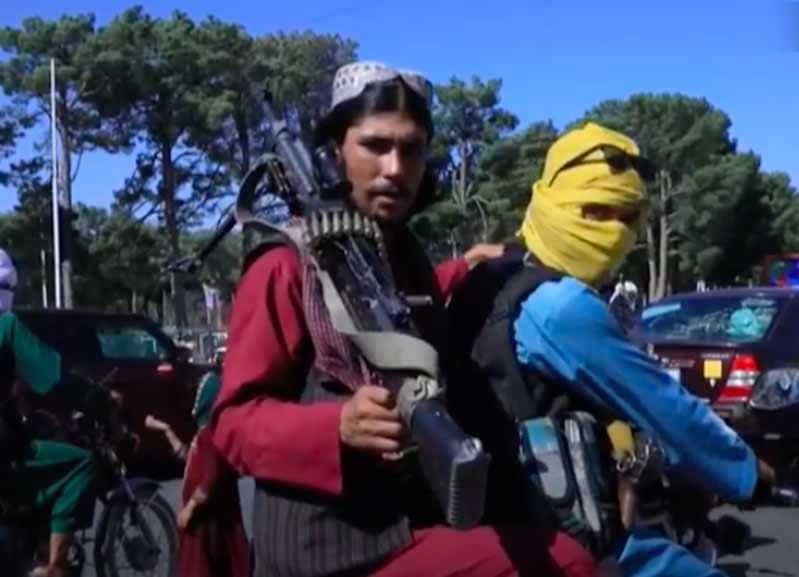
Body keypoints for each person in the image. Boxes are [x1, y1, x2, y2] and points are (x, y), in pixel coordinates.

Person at [211, 61, 600, 577]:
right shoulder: (284, 265)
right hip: (329, 552)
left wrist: (467, 267)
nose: (395, 168)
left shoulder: (400, 256)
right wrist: (337, 427)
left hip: (412, 520)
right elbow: (232, 423)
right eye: (375, 146)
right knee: (568, 564)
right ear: (335, 153)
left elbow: (387, 316)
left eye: (411, 149)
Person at [444, 123, 778, 577]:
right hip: (561, 539)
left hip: (499, 518)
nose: (612, 232)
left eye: (626, 217)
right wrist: (747, 474)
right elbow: (661, 404)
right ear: (554, 202)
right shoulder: (560, 305)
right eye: (595, 212)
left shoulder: (491, 276)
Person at [0, 248, 117, 577]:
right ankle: (55, 566)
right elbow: (55, 379)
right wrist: (100, 400)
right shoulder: (7, 326)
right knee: (81, 463)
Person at [145, 372, 248, 577]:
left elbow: (211, 477)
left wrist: (189, 509)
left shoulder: (209, 435)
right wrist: (166, 430)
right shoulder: (206, 434)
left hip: (206, 520)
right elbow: (190, 457)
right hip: (207, 520)